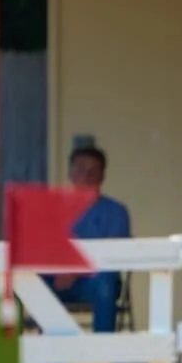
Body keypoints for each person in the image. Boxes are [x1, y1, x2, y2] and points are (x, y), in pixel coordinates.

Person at [45, 142, 131, 333]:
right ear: (70, 173)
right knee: (20, 280)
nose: (86, 174)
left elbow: (114, 253)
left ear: (102, 176)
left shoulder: (116, 211)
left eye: (93, 170)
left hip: (93, 281)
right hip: (54, 278)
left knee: (105, 283)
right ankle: (18, 353)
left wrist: (75, 272)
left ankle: (102, 356)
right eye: (81, 168)